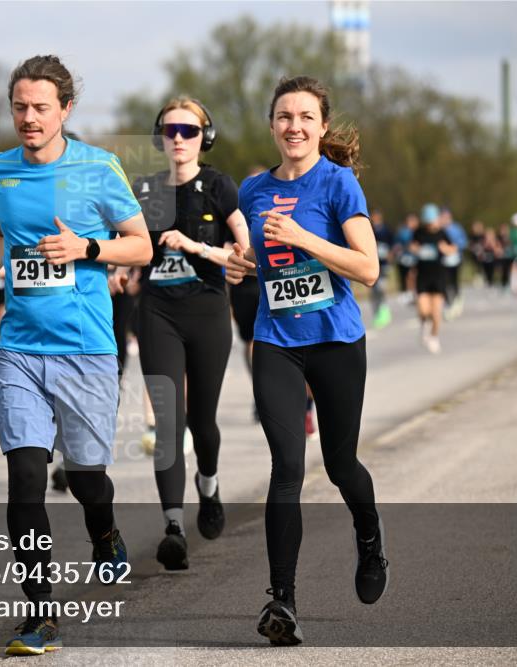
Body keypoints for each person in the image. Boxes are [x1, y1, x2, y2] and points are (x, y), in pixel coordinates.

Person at [0, 55, 151, 656]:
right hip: (19, 348)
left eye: (41, 107)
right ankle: (40, 615)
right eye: (19, 106)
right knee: (24, 481)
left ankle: (106, 532)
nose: (29, 117)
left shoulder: (99, 168)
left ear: (66, 109)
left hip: (86, 349)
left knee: (89, 477)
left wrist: (85, 247)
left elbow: (141, 246)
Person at [226, 76, 388, 646]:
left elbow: (367, 268)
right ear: (272, 125)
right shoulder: (252, 191)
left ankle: (369, 536)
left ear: (321, 126)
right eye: (283, 117)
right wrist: (242, 264)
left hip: (336, 343)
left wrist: (303, 237)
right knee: (287, 470)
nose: (293, 126)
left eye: (305, 117)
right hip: (276, 343)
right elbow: (259, 257)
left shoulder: (338, 184)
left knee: (342, 465)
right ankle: (283, 603)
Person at [128, 96, 250, 571]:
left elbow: (246, 254)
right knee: (167, 423)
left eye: (189, 131)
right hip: (157, 310)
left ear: (205, 137)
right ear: (160, 136)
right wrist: (122, 271)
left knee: (202, 420)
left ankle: (210, 483)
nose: (179, 139)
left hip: (206, 311)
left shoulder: (220, 187)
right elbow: (131, 244)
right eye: (171, 131)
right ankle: (174, 527)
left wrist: (196, 245)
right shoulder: (144, 189)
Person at [229, 166, 266, 422]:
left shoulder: (277, 208)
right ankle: (262, 393)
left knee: (257, 342)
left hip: (269, 282)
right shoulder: (234, 213)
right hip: (243, 286)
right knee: (252, 342)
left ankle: (264, 393)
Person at [411, 203, 457, 354]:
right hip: (423, 276)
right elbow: (411, 246)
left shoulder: (442, 233)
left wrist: (446, 249)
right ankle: (424, 325)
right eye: (428, 221)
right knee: (424, 310)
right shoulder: (419, 232)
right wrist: (415, 249)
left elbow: (453, 249)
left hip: (438, 276)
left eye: (433, 221)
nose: (431, 224)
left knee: (436, 312)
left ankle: (434, 337)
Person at [440, 208, 467, 320]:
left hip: (455, 259)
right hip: (443, 260)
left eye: (446, 216)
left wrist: (454, 248)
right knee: (444, 282)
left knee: (454, 281)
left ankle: (457, 299)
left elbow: (463, 242)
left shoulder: (456, 228)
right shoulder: (439, 229)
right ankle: (448, 302)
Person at [369, 209, 393, 328]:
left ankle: (384, 309)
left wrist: (390, 255)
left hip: (383, 264)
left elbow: (393, 245)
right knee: (374, 290)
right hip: (373, 263)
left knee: (381, 287)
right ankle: (376, 312)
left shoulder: (386, 230)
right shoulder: (368, 229)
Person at [392, 213, 419, 304]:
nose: (410, 223)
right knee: (408, 275)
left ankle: (414, 292)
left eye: (412, 221)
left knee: (413, 275)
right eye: (409, 221)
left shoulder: (419, 232)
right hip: (405, 257)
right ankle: (409, 292)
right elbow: (397, 244)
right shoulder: (403, 232)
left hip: (416, 257)